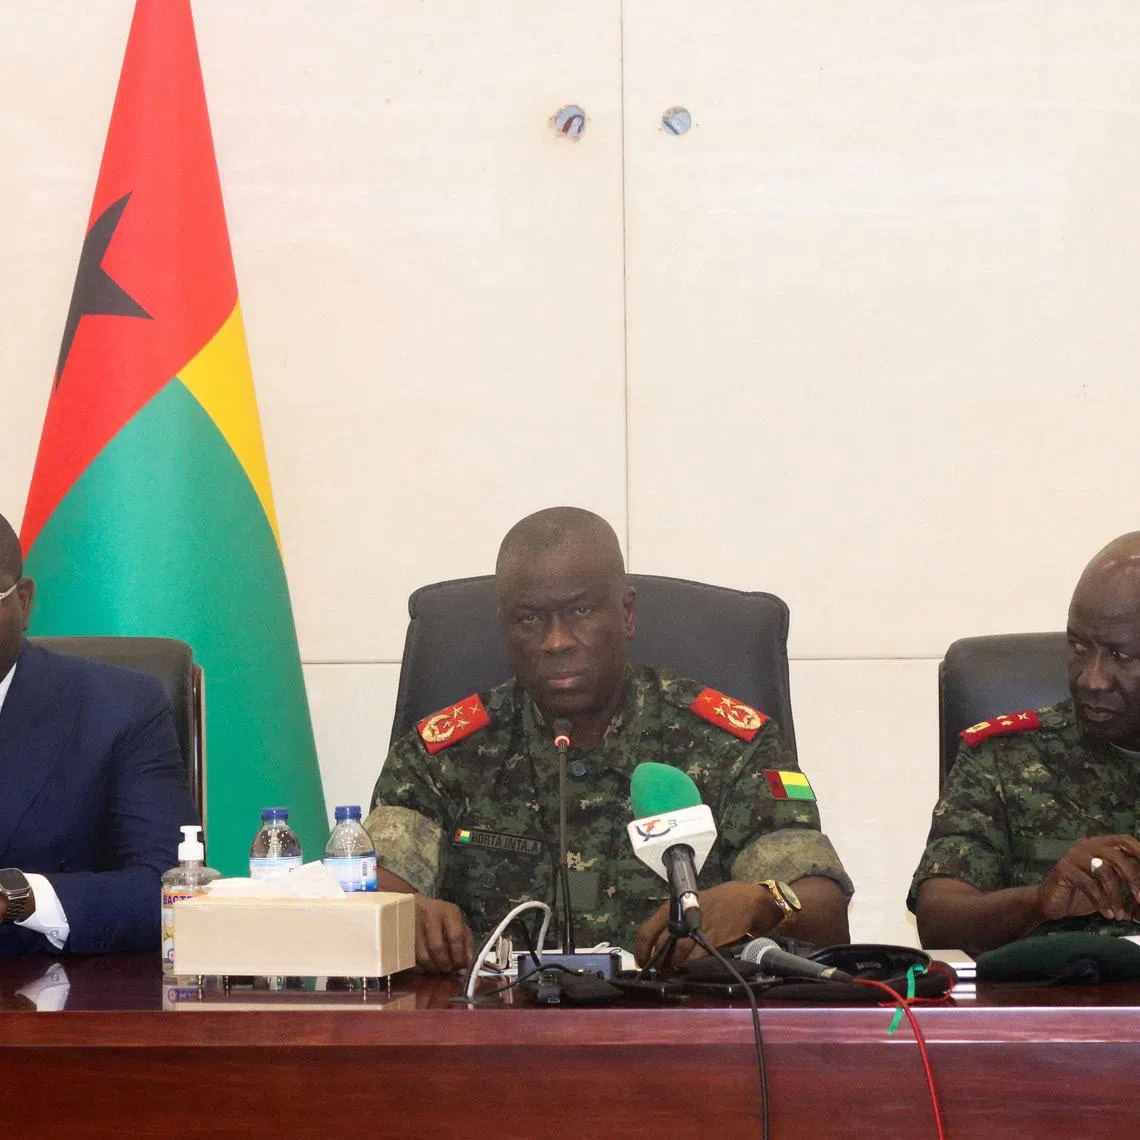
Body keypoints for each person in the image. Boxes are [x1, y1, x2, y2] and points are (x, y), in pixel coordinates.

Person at [366, 507, 852, 973]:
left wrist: (762, 903)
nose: (556, 640)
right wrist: (402, 911)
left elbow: (825, 909)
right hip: (496, 1039)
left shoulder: (730, 744)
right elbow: (368, 890)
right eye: (530, 618)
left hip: (679, 1038)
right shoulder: (442, 753)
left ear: (627, 614)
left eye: (580, 610)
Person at [911, 532, 1140, 953]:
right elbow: (938, 922)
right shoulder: (1004, 757)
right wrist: (1037, 902)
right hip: (1054, 1011)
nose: (1092, 679)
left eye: (1121, 656)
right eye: (1077, 645)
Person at [0, 512, 199, 956]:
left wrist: (20, 896)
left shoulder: (120, 707)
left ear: (24, 601)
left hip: (50, 1006)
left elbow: (171, 889)